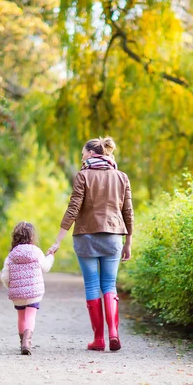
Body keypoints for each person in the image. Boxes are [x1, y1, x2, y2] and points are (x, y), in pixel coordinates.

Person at [47, 137, 133, 352]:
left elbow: (73, 208)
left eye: (83, 153)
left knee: (92, 285)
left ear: (92, 154)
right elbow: (128, 212)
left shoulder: (83, 176)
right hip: (114, 236)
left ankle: (99, 339)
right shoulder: (122, 177)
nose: (82, 156)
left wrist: (58, 240)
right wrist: (128, 242)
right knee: (109, 285)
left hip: (86, 237)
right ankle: (113, 333)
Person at [1, 222, 55, 355]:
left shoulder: (11, 255)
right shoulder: (36, 251)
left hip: (18, 294)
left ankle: (22, 343)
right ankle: (27, 342)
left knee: (21, 316)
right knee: (30, 315)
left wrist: (11, 285)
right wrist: (51, 256)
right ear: (32, 237)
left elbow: (5, 276)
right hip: (33, 293)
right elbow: (45, 267)